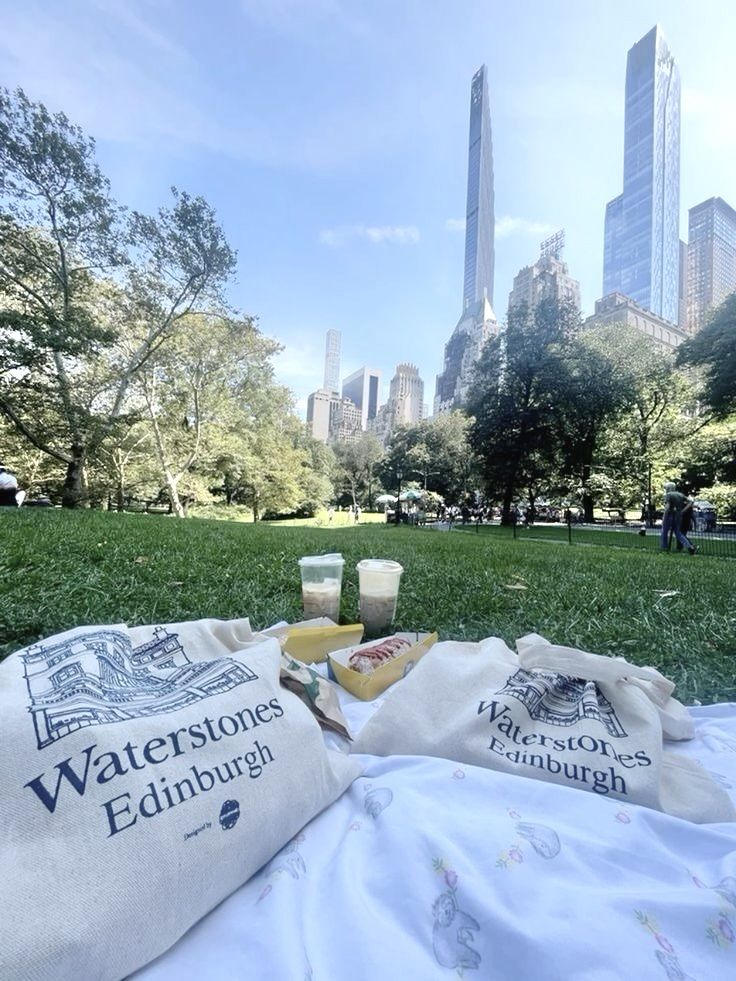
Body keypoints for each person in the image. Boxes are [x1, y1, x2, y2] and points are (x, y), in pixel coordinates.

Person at [660, 482, 696, 555]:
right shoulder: (680, 494)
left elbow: (667, 507)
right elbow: (691, 502)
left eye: (665, 488)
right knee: (678, 533)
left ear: (668, 488)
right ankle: (689, 546)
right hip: (678, 516)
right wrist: (683, 511)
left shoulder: (668, 495)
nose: (665, 490)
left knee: (664, 531)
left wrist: (664, 517)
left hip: (670, 515)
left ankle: (664, 547)